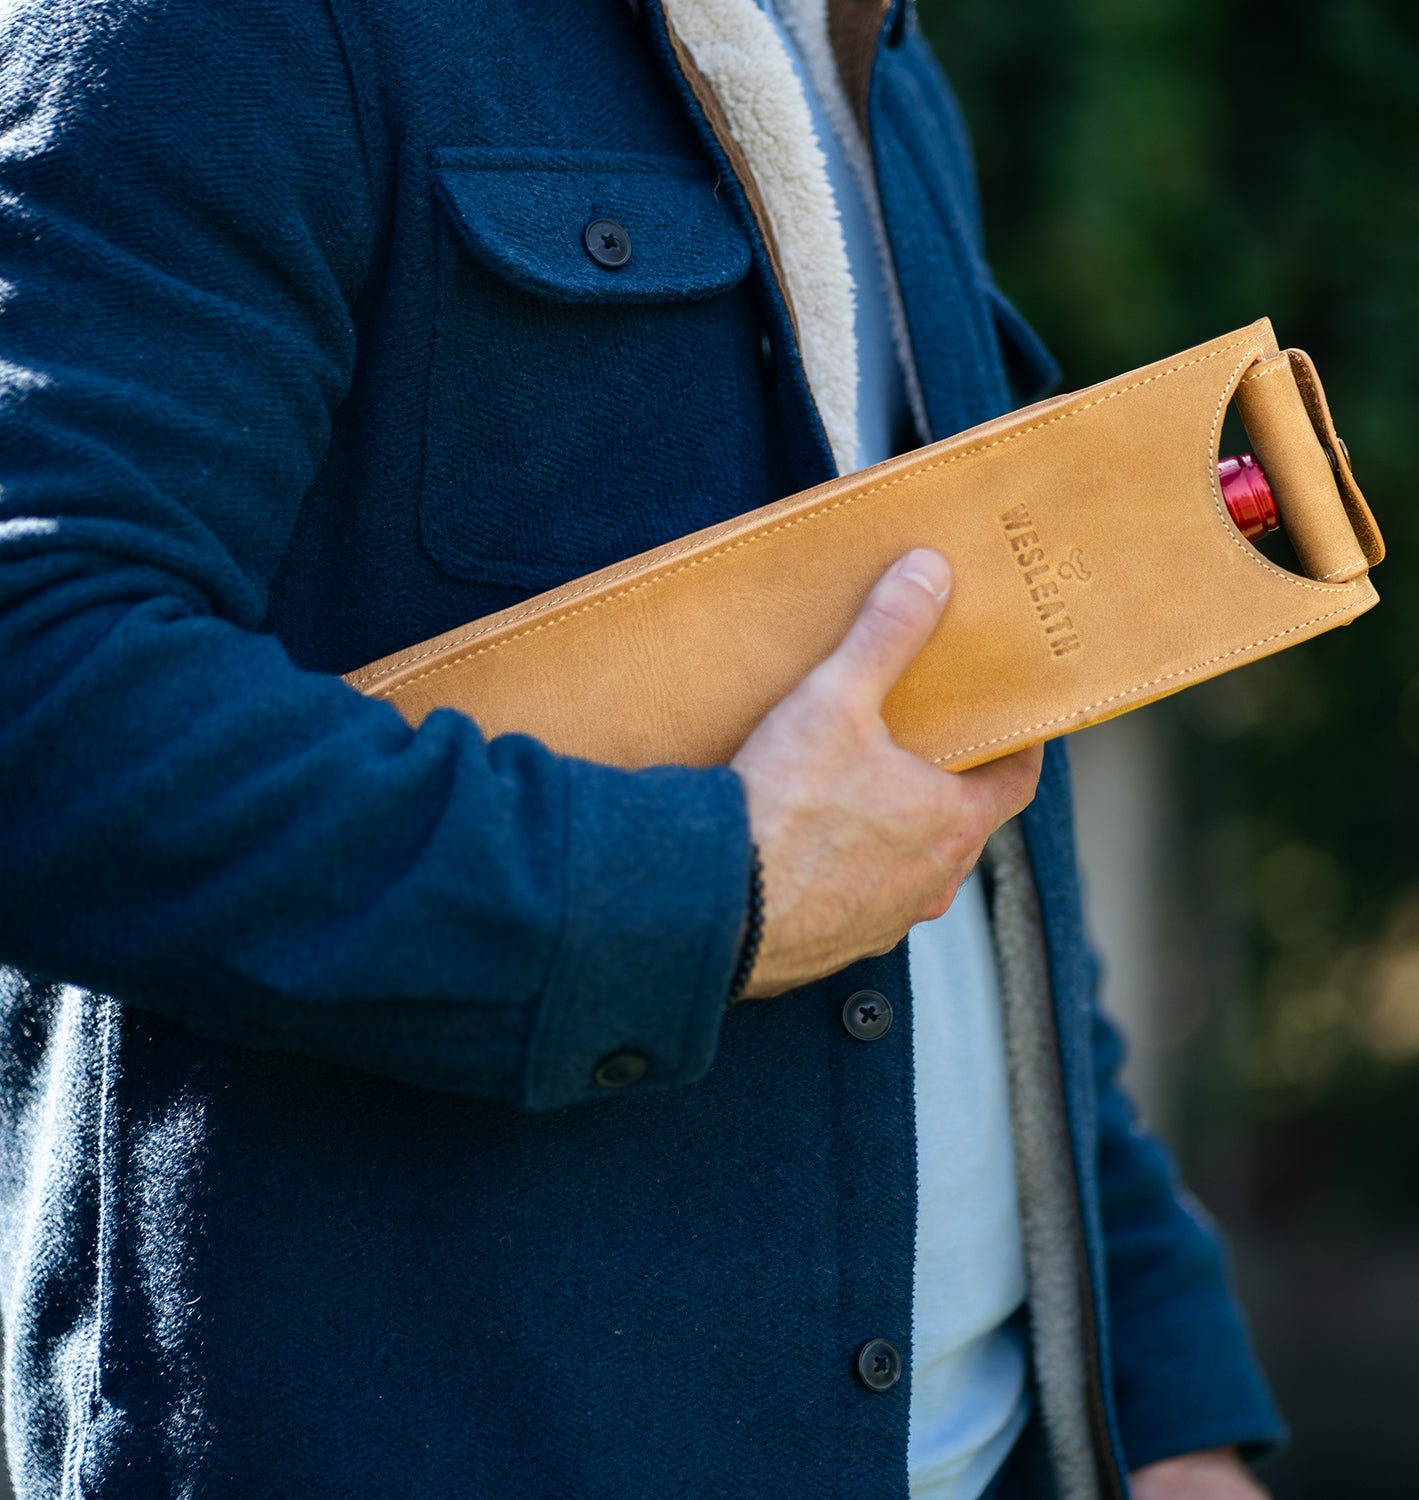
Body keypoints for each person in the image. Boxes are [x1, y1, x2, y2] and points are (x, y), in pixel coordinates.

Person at [0, 0, 1284, 1495]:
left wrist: (1160, 1399)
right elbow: (42, 683)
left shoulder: (872, 55)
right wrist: (706, 889)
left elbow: (982, 876)